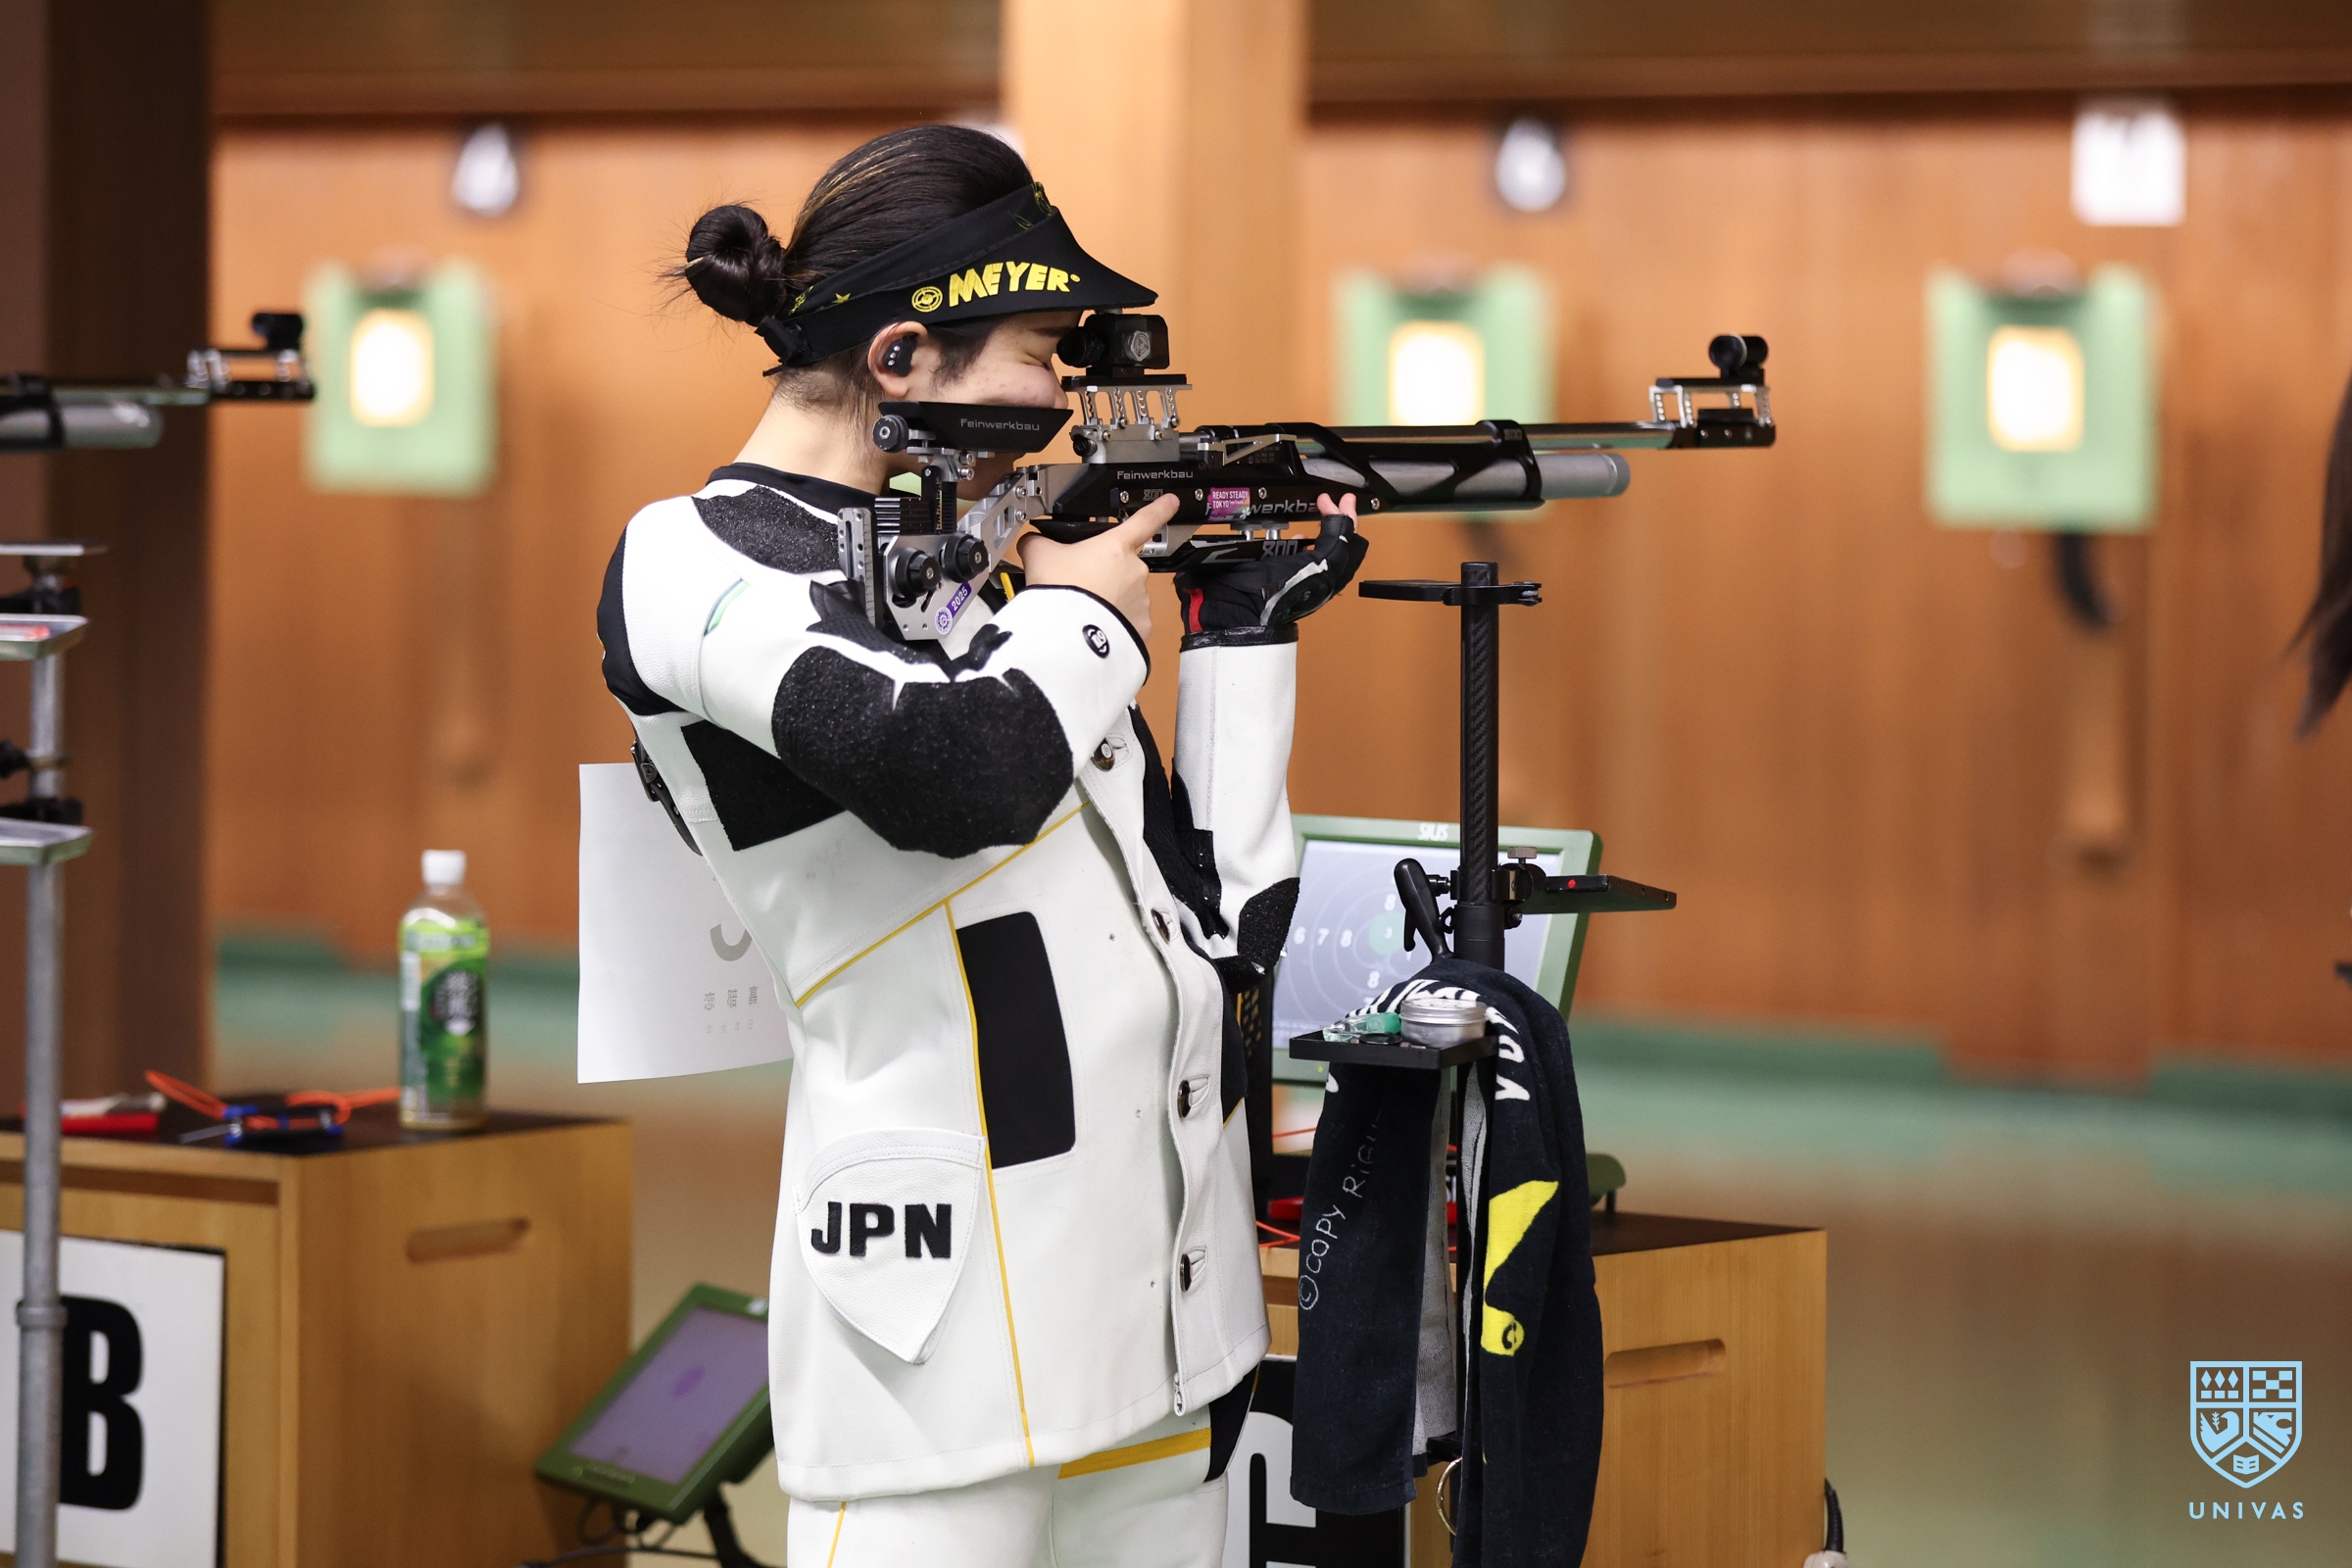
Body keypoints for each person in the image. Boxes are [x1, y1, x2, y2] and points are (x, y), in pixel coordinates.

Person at [596, 125, 1365, 1567]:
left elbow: (1221, 927)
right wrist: (1086, 609)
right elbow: (953, 773)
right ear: (901, 359)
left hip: (1160, 1314)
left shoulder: (987, 585)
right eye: (1039, 354)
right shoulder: (693, 559)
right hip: (932, 1343)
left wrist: (1240, 638)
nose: (1065, 397)